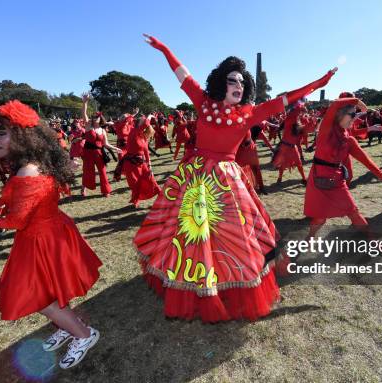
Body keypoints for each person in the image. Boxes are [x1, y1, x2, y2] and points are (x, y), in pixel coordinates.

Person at [133, 34, 337, 322]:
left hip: (227, 180)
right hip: (194, 177)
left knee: (232, 235)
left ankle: (227, 281)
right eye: (232, 80)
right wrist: (165, 49)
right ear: (220, 83)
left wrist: (318, 83)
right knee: (189, 232)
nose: (238, 85)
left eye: (242, 81)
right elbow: (182, 74)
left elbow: (287, 98)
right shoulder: (202, 102)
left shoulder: (251, 113)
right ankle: (192, 283)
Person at [0, 100, 102, 369]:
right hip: (47, 234)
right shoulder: (30, 163)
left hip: (41, 238)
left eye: (1, 132)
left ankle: (84, 335)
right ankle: (68, 325)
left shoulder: (28, 169)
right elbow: (16, 197)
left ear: (23, 135)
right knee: (50, 290)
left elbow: (18, 219)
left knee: (38, 296)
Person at [303, 98, 382, 239]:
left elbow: (365, 160)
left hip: (337, 180)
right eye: (352, 115)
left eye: (356, 114)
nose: (355, 118)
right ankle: (309, 239)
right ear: (340, 115)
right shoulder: (326, 130)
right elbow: (335, 104)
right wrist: (357, 101)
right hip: (318, 180)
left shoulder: (349, 140)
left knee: (354, 212)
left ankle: (373, 241)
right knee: (320, 218)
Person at [114, 116, 161, 207]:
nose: (140, 121)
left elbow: (146, 152)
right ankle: (136, 200)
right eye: (141, 121)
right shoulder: (134, 131)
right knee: (134, 183)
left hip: (141, 162)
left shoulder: (144, 137)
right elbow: (142, 123)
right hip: (130, 162)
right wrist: (149, 116)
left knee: (151, 180)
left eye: (142, 121)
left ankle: (162, 197)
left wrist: (149, 165)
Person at [80, 94, 121, 197]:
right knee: (87, 171)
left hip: (99, 153)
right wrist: (85, 102)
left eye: (96, 117)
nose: (94, 118)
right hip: (88, 152)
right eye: (94, 117)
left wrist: (116, 148)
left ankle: (106, 191)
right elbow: (84, 114)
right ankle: (83, 188)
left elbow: (105, 144)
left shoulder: (102, 130)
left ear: (100, 119)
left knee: (102, 172)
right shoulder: (89, 126)